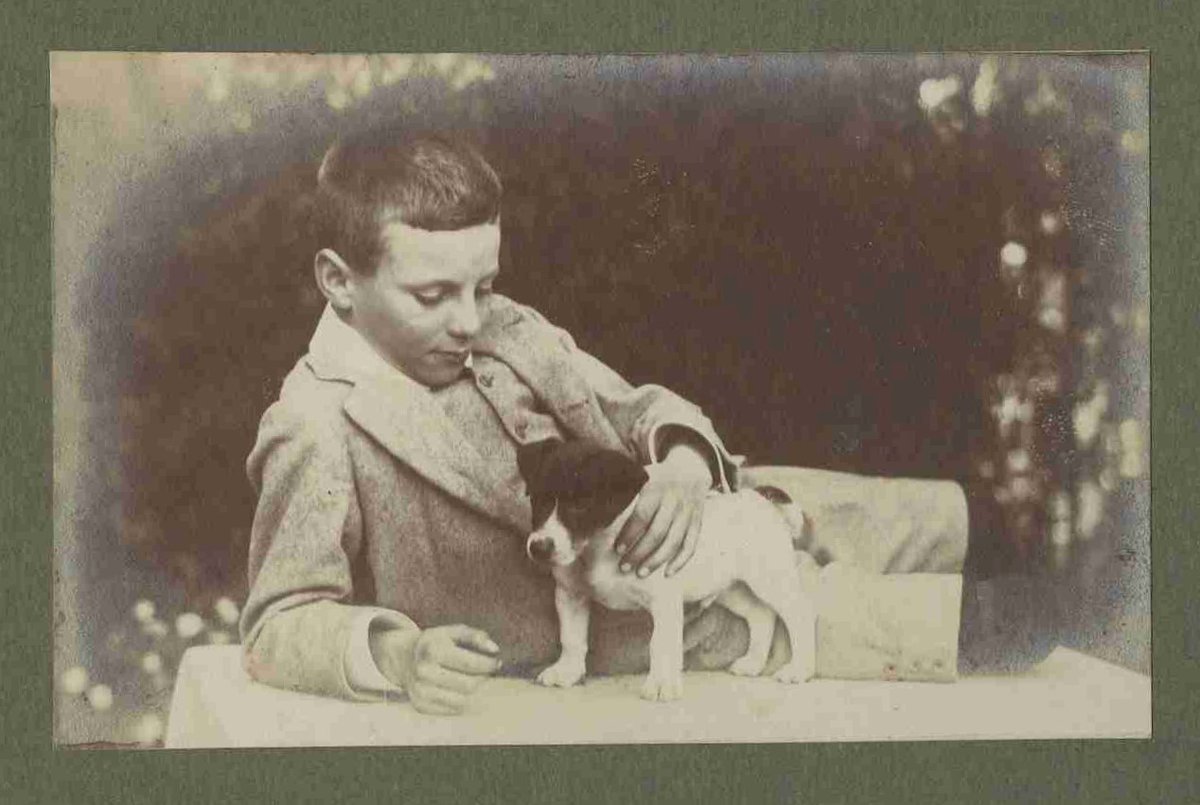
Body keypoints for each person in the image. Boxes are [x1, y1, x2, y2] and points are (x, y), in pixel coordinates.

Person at [239, 129, 1051, 716]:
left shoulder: (502, 324)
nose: (469, 319)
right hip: (647, 618)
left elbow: (637, 408)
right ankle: (1018, 613)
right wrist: (396, 651)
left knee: (918, 516)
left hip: (716, 519)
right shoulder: (314, 424)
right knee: (937, 625)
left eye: (483, 286)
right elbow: (279, 620)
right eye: (433, 296)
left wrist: (684, 467)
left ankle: (1002, 541)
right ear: (339, 281)